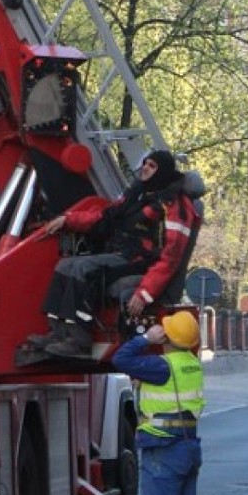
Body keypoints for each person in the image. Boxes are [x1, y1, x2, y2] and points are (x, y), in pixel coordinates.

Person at [28, 148, 201, 359]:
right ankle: (57, 333)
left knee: (83, 270)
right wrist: (69, 219)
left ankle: (79, 341)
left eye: (152, 166)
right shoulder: (137, 193)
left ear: (163, 171)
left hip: (143, 261)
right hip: (124, 254)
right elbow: (104, 216)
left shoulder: (174, 205)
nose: (145, 168)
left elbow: (171, 258)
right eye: (145, 163)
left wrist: (144, 292)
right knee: (65, 266)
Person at [112, 310, 219, 495]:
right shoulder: (192, 364)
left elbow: (120, 360)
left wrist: (144, 338)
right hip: (188, 447)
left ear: (168, 338)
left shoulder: (162, 367)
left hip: (163, 451)